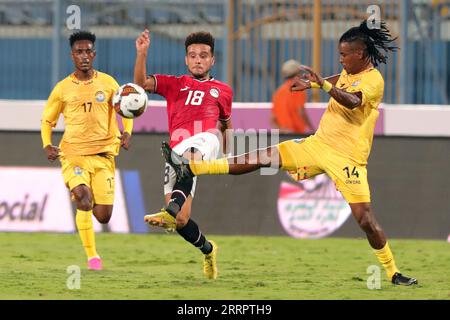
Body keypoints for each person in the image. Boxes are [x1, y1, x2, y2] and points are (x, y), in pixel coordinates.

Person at [162, 20, 418, 286]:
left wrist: (325, 87)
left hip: (348, 158)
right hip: (318, 145)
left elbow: (353, 102)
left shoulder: (374, 80)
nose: (340, 60)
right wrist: (314, 84)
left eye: (344, 55)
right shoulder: (349, 73)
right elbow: (339, 81)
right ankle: (195, 167)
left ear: (361, 55)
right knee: (265, 156)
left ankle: (392, 272)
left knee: (365, 219)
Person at [134, 29, 233, 280]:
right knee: (180, 219)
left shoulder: (222, 90)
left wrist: (227, 152)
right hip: (177, 151)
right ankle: (209, 250)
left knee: (190, 158)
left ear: (213, 60)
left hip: (206, 141)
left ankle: (169, 208)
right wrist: (142, 54)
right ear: (186, 60)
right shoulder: (174, 84)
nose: (198, 59)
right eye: (192, 55)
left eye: (203, 55)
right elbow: (140, 85)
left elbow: (225, 123)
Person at [41, 31, 134, 270]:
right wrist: (47, 143)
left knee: (103, 215)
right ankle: (93, 258)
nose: (84, 56)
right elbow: (47, 120)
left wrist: (127, 132)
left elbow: (126, 110)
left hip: (104, 155)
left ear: (94, 54)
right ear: (72, 55)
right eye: (79, 52)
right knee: (83, 198)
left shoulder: (109, 83)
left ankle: (88, 210)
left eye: (88, 51)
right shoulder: (62, 88)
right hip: (74, 154)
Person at [271, 59, 315, 134]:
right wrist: (312, 129)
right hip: (296, 134)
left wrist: (281, 130)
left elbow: (273, 118)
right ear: (297, 73)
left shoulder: (278, 92)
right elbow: (301, 112)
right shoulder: (298, 89)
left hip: (283, 136)